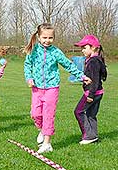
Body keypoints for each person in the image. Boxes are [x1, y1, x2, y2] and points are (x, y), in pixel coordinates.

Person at [24, 23, 91, 153]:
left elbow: (68, 65)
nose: (47, 40)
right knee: (35, 114)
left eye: (50, 38)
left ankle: (47, 144)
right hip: (37, 88)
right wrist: (29, 78)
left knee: (48, 115)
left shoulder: (55, 52)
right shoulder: (33, 50)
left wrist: (82, 76)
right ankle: (42, 130)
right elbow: (27, 65)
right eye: (44, 37)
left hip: (52, 87)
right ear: (38, 37)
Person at [73, 35, 107, 145]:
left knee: (78, 111)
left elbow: (95, 80)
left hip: (92, 93)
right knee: (91, 115)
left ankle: (88, 136)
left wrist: (90, 95)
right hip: (99, 93)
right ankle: (94, 136)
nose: (82, 50)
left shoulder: (93, 61)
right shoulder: (97, 59)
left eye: (84, 47)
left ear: (93, 47)